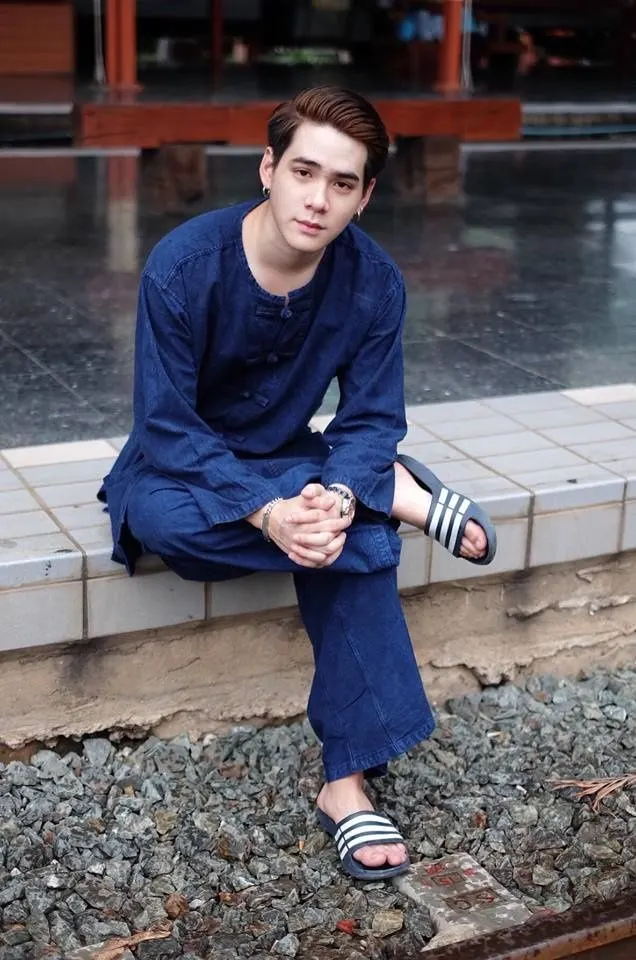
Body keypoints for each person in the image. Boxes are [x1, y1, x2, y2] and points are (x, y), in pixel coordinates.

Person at [98, 86, 496, 881]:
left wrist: (334, 496)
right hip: (184, 466)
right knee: (168, 526)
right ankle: (392, 497)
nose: (318, 200)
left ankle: (346, 784)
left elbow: (371, 417)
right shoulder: (183, 265)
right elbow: (168, 426)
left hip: (293, 456)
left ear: (364, 196)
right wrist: (272, 512)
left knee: (341, 518)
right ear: (268, 168)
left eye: (342, 183)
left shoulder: (374, 281)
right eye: (304, 172)